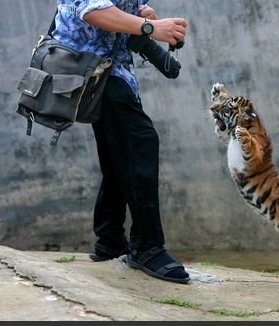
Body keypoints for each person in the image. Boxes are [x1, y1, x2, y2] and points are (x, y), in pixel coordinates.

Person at [52, 0, 190, 283]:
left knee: (119, 153)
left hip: (109, 70)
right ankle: (146, 247)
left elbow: (130, 8)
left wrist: (144, 13)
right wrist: (151, 26)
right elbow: (91, 10)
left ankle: (110, 239)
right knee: (141, 142)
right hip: (85, 67)